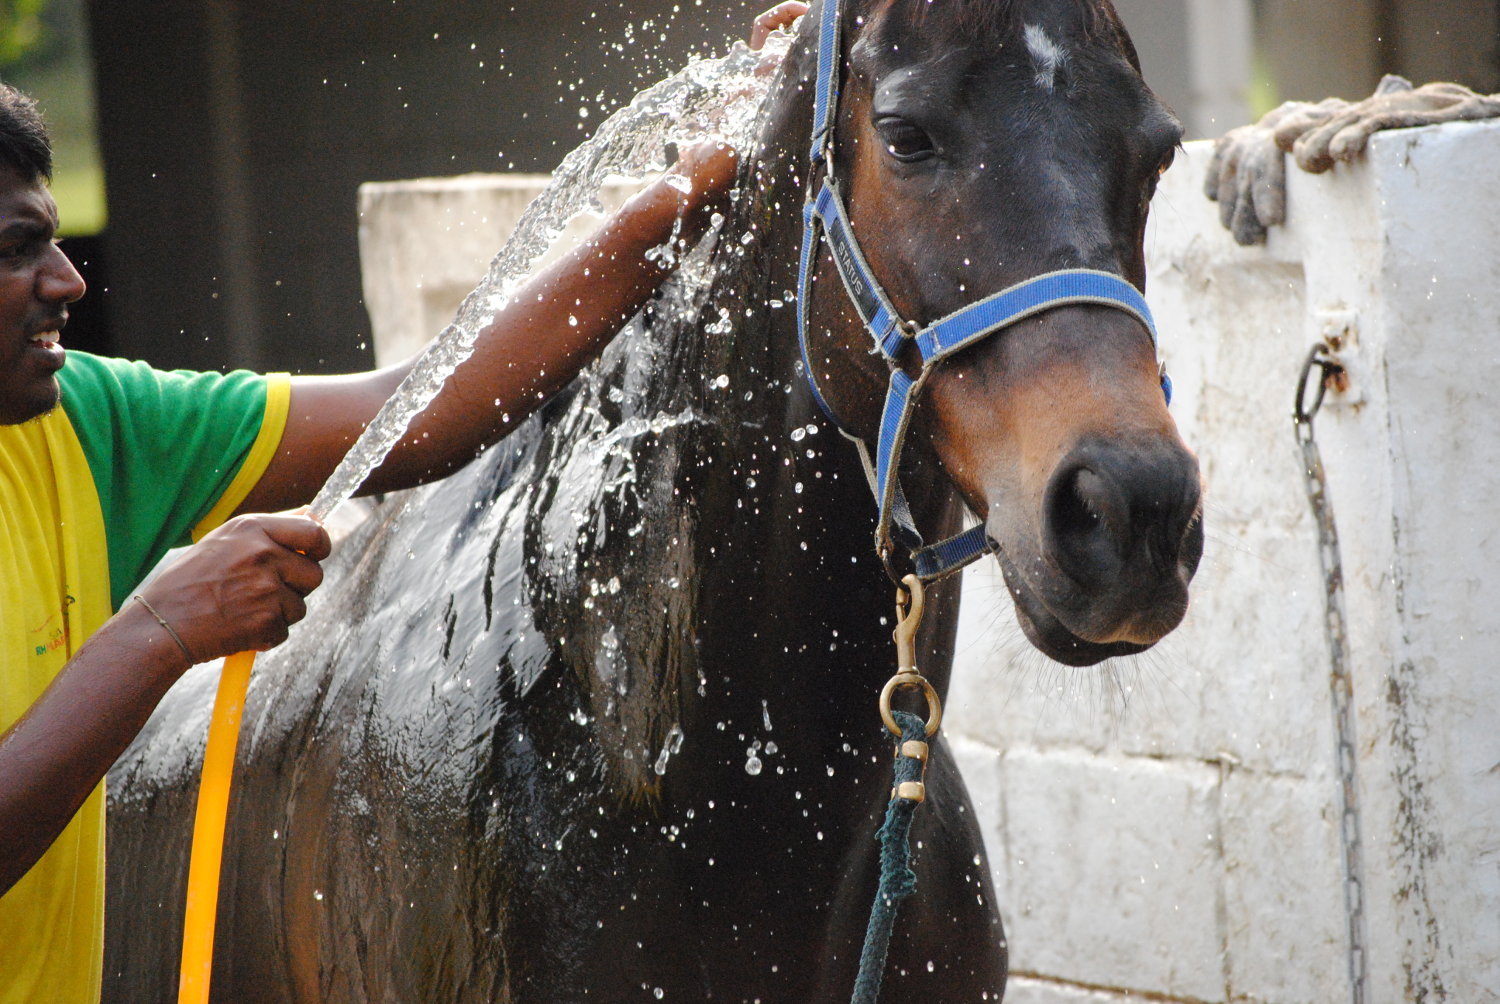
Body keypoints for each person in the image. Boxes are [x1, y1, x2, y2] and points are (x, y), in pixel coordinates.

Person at [0, 5, 809, 998]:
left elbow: (420, 410)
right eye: (15, 248)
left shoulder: (85, 419)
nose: (70, 279)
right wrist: (159, 631)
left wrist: (687, 188)